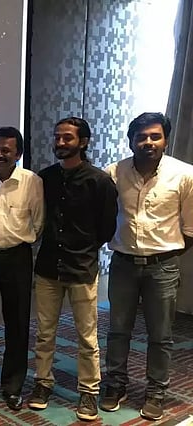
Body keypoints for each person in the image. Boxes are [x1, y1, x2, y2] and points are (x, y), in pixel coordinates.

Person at [101, 112, 193, 421]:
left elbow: (191, 229)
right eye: (141, 137)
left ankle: (156, 392)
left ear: (165, 139)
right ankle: (116, 385)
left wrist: (163, 253)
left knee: (160, 334)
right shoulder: (113, 173)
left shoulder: (184, 175)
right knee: (117, 330)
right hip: (123, 264)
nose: (148, 142)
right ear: (131, 141)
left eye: (155, 136)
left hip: (162, 267)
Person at [27, 117, 117, 421]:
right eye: (57, 137)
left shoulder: (99, 181)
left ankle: (89, 390)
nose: (61, 143)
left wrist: (83, 248)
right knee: (44, 332)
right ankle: (42, 383)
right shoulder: (45, 178)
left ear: (83, 142)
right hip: (48, 267)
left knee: (86, 336)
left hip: (81, 268)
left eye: (67, 137)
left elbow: (106, 228)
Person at [0, 126, 44, 411]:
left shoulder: (31, 182)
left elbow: (38, 222)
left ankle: (13, 386)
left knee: (17, 324)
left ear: (19, 154)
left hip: (17, 259)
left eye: (6, 150)